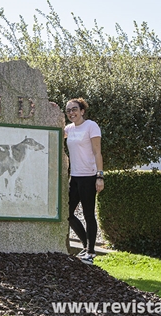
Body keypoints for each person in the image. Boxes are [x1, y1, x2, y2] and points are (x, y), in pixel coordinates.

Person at [64, 98, 104, 265]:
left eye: (74, 109)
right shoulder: (68, 129)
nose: (72, 112)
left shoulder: (91, 126)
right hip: (75, 176)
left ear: (82, 110)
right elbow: (54, 132)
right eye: (68, 110)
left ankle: (91, 252)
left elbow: (97, 152)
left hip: (89, 176)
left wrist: (100, 176)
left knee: (88, 214)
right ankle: (87, 246)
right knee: (68, 214)